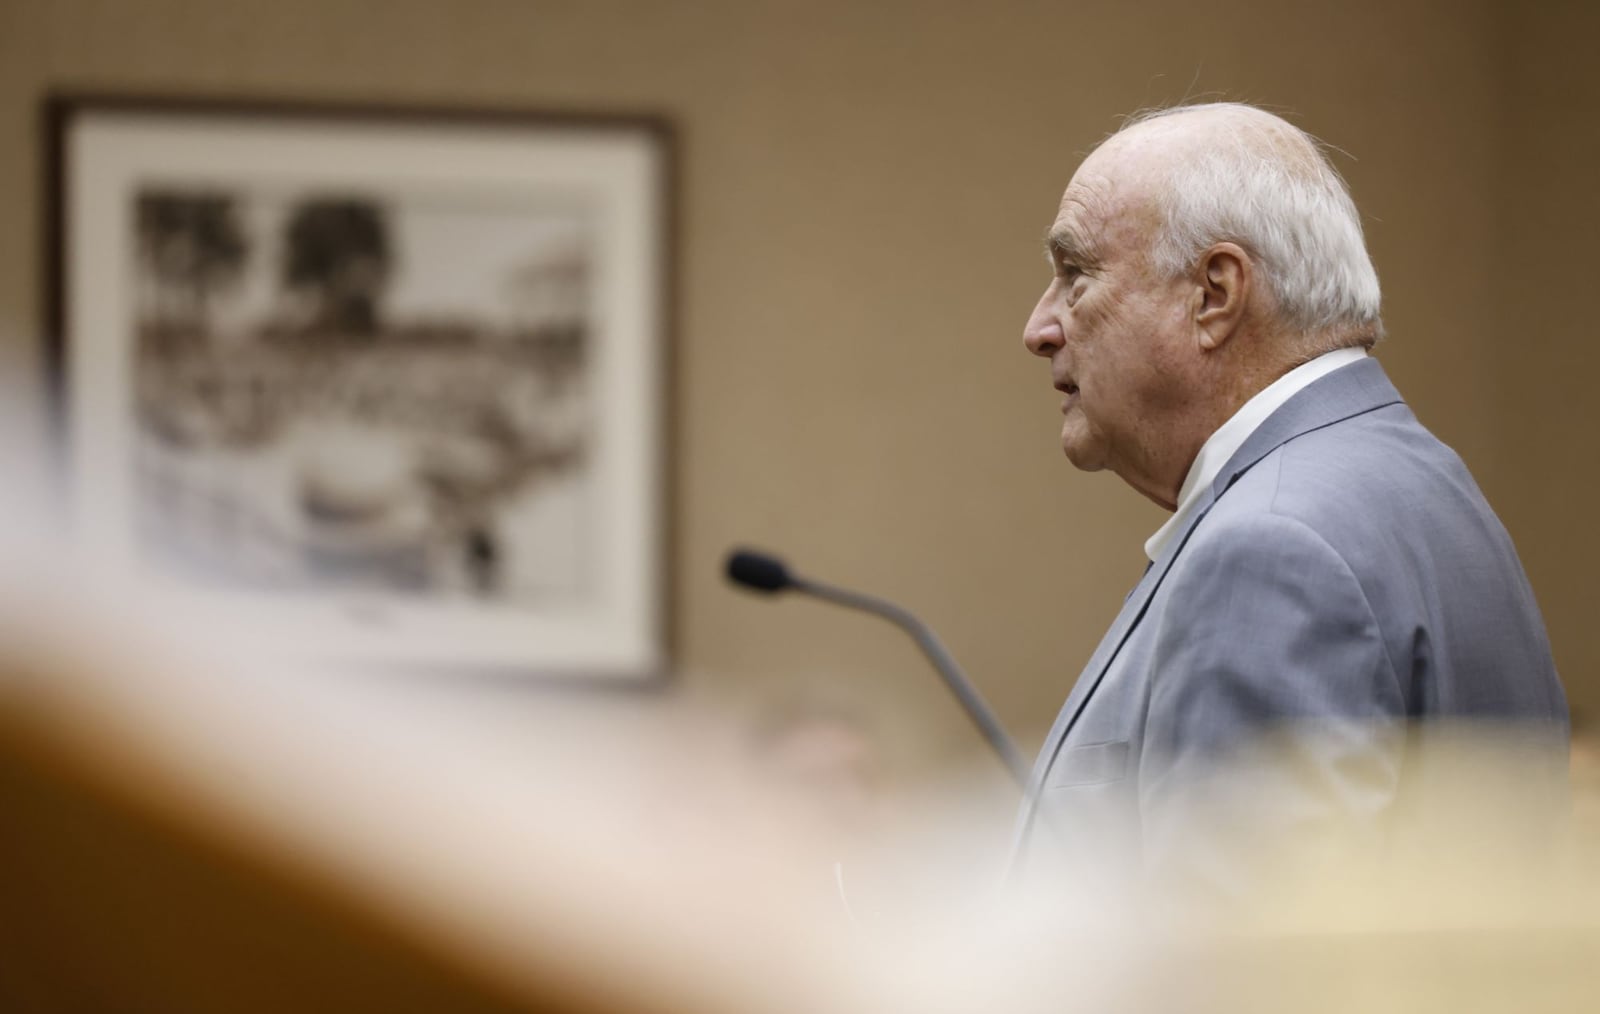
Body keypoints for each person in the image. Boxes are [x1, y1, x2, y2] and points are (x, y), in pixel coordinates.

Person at [1009, 103, 1568, 896]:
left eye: (1076, 276)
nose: (1040, 327)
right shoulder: (1417, 479)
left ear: (1215, 293)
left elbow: (1246, 971)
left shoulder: (1273, 549)